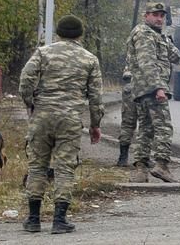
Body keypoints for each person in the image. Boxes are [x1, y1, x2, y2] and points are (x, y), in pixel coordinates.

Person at [18, 15, 104, 234]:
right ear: (80, 34)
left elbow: (25, 80)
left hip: (43, 116)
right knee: (65, 167)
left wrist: (31, 103)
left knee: (37, 166)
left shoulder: (42, 53)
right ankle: (59, 220)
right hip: (70, 119)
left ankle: (33, 219)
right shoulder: (90, 59)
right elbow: (96, 98)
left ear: (58, 32)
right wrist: (95, 125)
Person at [126, 2, 180, 183]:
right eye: (155, 15)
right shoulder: (143, 34)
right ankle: (162, 165)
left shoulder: (157, 36)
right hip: (151, 88)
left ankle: (141, 170)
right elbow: (147, 63)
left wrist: (165, 39)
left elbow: (177, 57)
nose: (159, 19)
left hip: (144, 89)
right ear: (146, 15)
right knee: (164, 127)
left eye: (162, 16)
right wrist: (158, 88)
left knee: (146, 128)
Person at [116, 65, 138, 167]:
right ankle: (142, 158)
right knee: (146, 124)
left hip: (132, 85)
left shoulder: (134, 50)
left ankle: (123, 158)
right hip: (145, 86)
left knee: (128, 123)